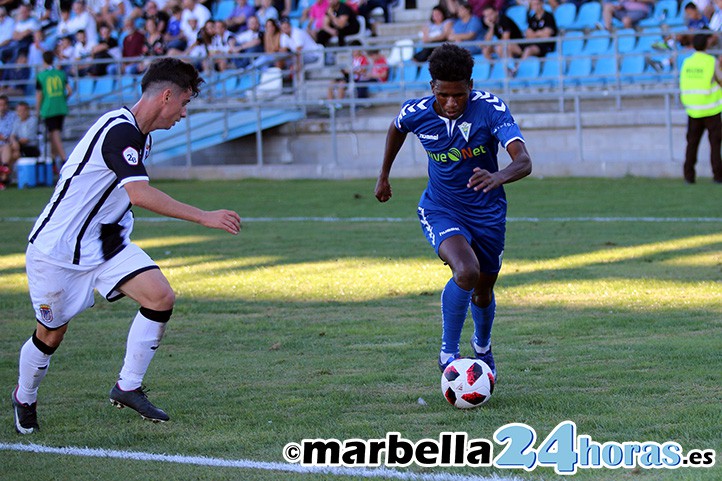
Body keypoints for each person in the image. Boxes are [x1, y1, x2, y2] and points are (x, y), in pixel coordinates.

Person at [11, 57, 242, 435]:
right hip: (57, 251)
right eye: (184, 103)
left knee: (160, 297)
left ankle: (127, 386)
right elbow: (139, 193)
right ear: (166, 96)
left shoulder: (140, 136)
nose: (184, 113)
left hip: (105, 242)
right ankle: (25, 395)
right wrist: (203, 216)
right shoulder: (120, 132)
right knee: (51, 334)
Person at [374, 43, 532, 377]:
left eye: (458, 96)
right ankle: (448, 355)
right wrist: (383, 176)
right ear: (433, 88)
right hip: (440, 208)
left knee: (484, 292)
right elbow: (396, 128)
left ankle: (483, 348)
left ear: (470, 87)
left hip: (488, 213)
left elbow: (524, 161)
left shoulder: (491, 109)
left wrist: (498, 175)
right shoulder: (416, 111)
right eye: (444, 95)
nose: (450, 103)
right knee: (466, 271)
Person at [679, 34, 722, 183]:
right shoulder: (711, 62)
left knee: (692, 144)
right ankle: (718, 176)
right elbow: (720, 80)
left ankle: (688, 176)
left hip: (693, 110)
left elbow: (683, 84)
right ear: (706, 45)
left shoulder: (686, 63)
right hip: (712, 109)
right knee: (715, 145)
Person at [36, 51, 71, 169]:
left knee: (54, 133)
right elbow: (69, 90)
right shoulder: (60, 73)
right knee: (53, 134)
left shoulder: (41, 76)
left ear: (43, 60)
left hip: (49, 108)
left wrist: (37, 109)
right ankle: (52, 162)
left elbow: (39, 95)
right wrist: (63, 98)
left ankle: (63, 158)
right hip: (61, 106)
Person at [0, 94, 17, 190]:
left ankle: (3, 178)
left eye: (4, 105)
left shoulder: (12, 116)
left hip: (8, 144)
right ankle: (4, 173)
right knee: (13, 154)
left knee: (9, 150)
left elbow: (13, 132)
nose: (2, 107)